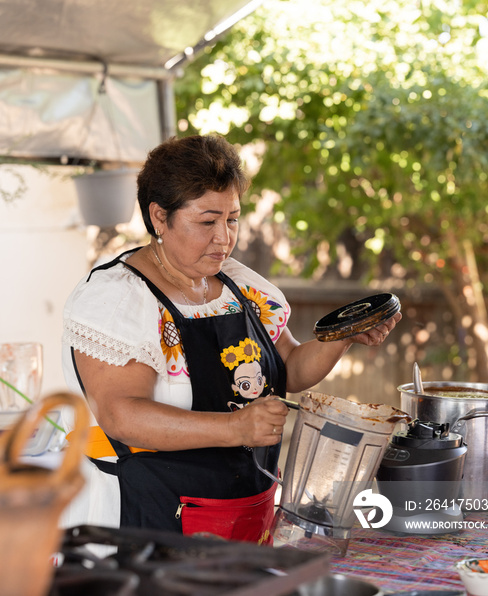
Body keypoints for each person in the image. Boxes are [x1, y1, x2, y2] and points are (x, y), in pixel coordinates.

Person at [61, 133, 401, 544]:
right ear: (159, 217)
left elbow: (288, 368)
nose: (224, 238)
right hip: (146, 515)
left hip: (241, 510)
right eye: (207, 221)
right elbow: (123, 416)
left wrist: (343, 337)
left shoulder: (240, 286)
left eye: (232, 219)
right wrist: (236, 428)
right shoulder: (117, 298)